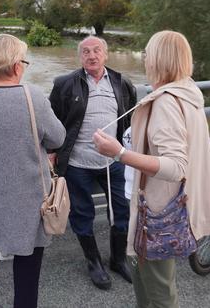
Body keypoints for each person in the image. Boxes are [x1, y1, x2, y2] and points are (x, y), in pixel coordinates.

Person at [93, 30, 210, 308]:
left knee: (160, 292)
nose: (144, 59)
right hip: (173, 205)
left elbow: (175, 166)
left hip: (159, 211)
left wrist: (120, 153)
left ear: (158, 60)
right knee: (148, 282)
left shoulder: (166, 103)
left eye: (148, 53)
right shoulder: (188, 93)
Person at [0, 34, 66, 308]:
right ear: (17, 65)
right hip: (28, 201)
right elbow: (58, 138)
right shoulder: (33, 97)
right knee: (27, 275)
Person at [49, 36, 137, 289]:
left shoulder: (122, 83)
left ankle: (118, 260)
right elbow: (53, 122)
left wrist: (129, 152)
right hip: (77, 163)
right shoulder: (65, 84)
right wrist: (53, 151)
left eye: (97, 50)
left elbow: (130, 121)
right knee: (82, 214)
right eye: (86, 51)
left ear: (106, 54)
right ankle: (94, 262)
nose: (92, 55)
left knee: (122, 211)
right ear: (80, 57)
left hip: (114, 162)